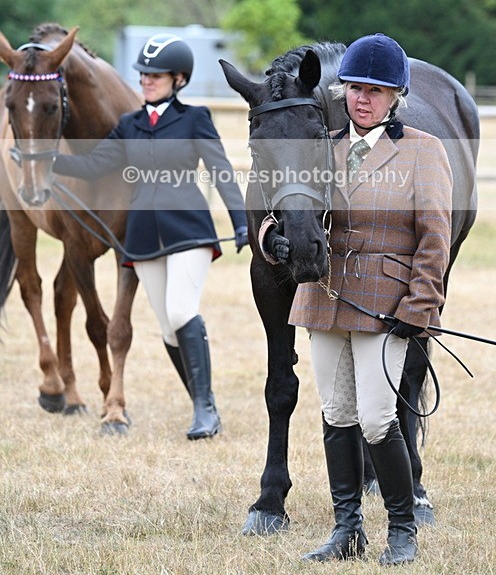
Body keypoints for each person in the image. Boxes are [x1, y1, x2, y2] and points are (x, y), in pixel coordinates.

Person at [261, 33, 452, 565]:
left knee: (375, 417)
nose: (362, 99)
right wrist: (270, 240)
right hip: (324, 301)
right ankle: (347, 529)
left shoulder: (423, 150)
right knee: (337, 413)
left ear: (397, 97)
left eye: (376, 90)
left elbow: (435, 238)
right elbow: (285, 213)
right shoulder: (322, 146)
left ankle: (402, 528)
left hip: (386, 308)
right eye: (354, 88)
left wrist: (419, 308)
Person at [53, 33, 248, 440]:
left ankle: (204, 408)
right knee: (168, 329)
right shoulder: (130, 125)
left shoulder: (196, 118)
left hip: (189, 230)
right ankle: (203, 404)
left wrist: (240, 221)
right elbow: (92, 165)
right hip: (143, 239)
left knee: (180, 312)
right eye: (143, 74)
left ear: (179, 79)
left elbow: (221, 172)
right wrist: (47, 160)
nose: (146, 81)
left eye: (155, 75)